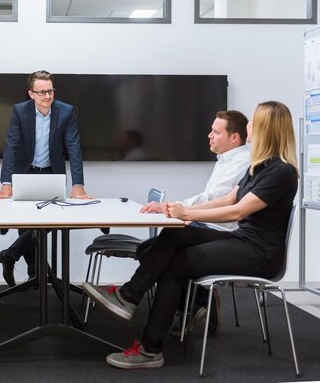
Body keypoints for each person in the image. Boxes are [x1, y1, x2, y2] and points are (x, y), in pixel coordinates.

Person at [83, 101, 298, 369]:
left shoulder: (282, 171)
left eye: (254, 120)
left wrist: (188, 214)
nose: (249, 124)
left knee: (177, 264)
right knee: (176, 236)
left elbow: (237, 212)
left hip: (261, 254)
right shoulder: (260, 166)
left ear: (266, 127)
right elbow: (228, 199)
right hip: (244, 241)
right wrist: (183, 213)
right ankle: (128, 297)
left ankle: (150, 348)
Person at [139, 110, 250, 335]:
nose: (209, 135)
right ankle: (196, 304)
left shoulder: (242, 162)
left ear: (234, 138)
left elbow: (215, 200)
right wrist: (179, 210)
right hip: (209, 224)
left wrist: (179, 209)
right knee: (150, 250)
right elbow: (212, 198)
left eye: (215, 132)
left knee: (155, 252)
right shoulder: (225, 159)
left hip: (221, 229)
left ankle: (193, 305)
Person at [0, 70, 92, 287]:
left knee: (50, 223)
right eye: (42, 92)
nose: (47, 96)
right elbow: (11, 146)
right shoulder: (20, 111)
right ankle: (35, 275)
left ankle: (11, 255)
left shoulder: (65, 112)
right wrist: (6, 184)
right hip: (25, 173)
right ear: (31, 94)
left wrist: (78, 186)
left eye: (50, 91)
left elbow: (74, 148)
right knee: (25, 226)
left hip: (51, 174)